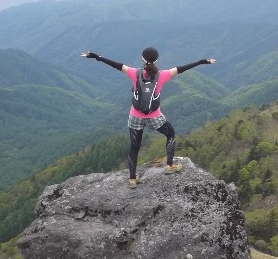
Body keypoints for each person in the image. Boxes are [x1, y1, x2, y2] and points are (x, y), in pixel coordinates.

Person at [81, 47, 216, 188]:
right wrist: (201, 62)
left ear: (142, 59)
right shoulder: (163, 75)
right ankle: (170, 165)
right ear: (157, 60)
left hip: (135, 116)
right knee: (170, 134)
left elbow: (115, 64)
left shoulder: (135, 73)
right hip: (154, 116)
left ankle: (132, 179)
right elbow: (182, 69)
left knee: (134, 147)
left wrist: (96, 56)